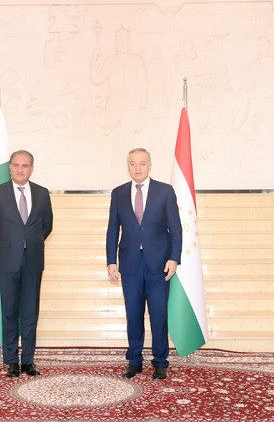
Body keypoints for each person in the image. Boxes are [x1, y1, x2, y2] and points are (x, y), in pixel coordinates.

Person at [106, 148, 182, 380]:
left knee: (158, 314)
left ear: (150, 165)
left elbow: (175, 229)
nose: (137, 168)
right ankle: (134, 359)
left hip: (159, 264)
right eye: (132, 163)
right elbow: (112, 229)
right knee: (134, 314)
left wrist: (174, 258)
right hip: (130, 264)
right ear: (127, 166)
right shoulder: (118, 193)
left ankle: (160, 361)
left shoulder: (165, 191)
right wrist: (111, 260)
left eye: (142, 163)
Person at [0, 150, 53, 378]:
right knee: (10, 312)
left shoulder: (42, 193)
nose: (20, 169)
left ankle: (28, 361)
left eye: (25, 165)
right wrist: (3, 248)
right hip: (7, 262)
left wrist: (31, 243)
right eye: (16, 165)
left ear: (31, 168)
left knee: (31, 312)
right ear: (10, 168)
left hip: (33, 261)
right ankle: (11, 360)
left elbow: (47, 225)